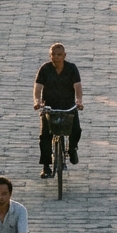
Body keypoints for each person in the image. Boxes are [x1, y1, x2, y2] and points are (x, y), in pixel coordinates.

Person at [33, 42, 83, 176]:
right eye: (53, 55)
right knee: (45, 136)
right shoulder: (45, 69)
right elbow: (38, 87)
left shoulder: (72, 68)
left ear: (64, 55)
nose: (56, 57)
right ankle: (45, 165)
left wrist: (78, 101)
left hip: (68, 106)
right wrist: (37, 101)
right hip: (49, 106)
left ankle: (72, 149)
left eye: (59, 55)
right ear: (50, 56)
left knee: (76, 130)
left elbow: (77, 86)